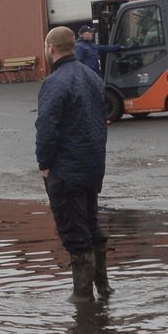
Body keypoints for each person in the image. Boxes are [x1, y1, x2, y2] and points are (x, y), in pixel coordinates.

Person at [35, 24, 110, 299]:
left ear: (50, 49)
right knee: (91, 227)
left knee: (75, 234)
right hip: (92, 167)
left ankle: (83, 298)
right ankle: (103, 287)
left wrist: (44, 164)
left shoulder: (54, 83)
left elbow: (46, 128)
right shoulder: (92, 76)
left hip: (67, 171)